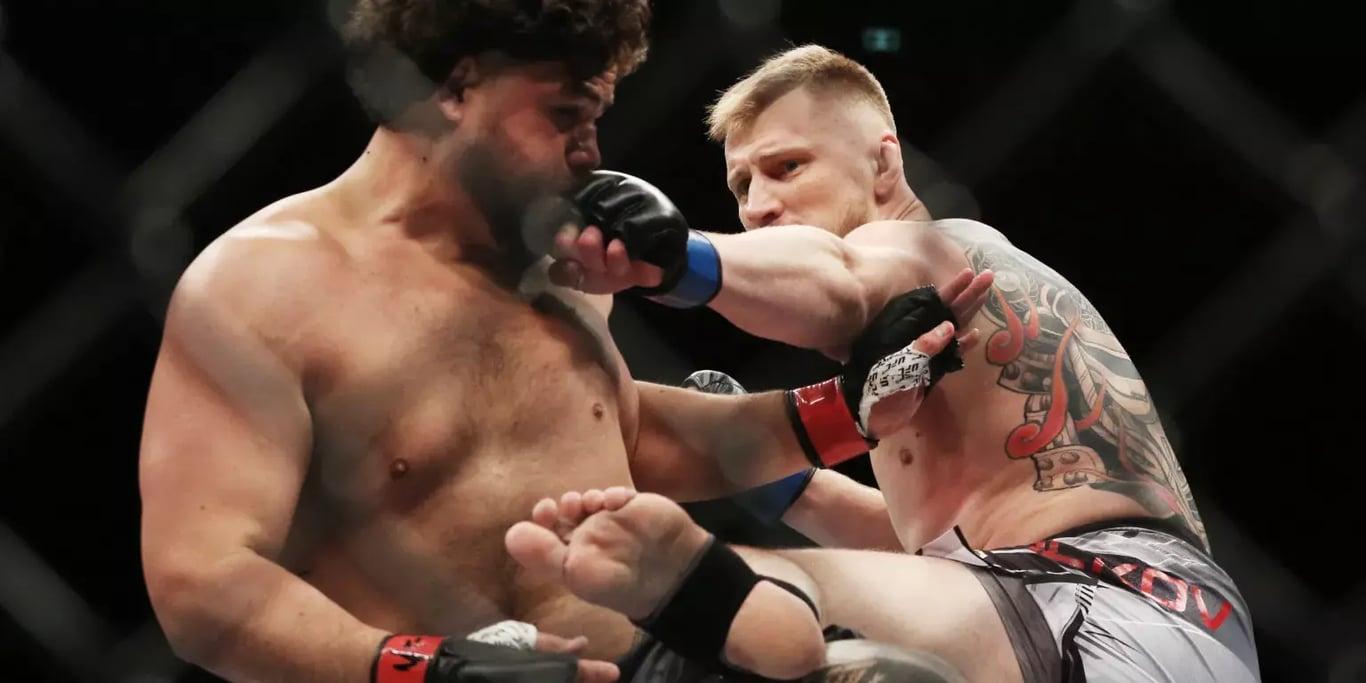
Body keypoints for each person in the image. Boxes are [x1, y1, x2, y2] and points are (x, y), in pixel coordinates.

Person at [136, 1, 985, 679]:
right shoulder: (259, 286)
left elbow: (622, 432)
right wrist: (424, 671)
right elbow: (202, 580)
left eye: (598, 116)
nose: (591, 152)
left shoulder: (560, 265)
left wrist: (841, 409)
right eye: (564, 115)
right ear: (454, 88)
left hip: (651, 662)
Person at [548, 45, 1260, 680]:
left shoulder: (936, 250)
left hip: (1115, 595)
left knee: (717, 602)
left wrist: (681, 257)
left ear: (882, 161)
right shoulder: (912, 369)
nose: (760, 206)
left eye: (787, 167)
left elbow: (838, 278)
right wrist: (793, 488)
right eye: (741, 187)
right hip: (1110, 620)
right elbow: (932, 551)